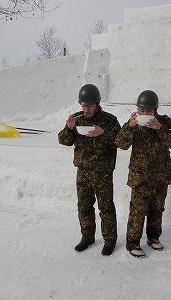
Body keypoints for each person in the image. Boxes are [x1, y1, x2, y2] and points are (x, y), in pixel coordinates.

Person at [115, 90, 171, 257]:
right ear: (138, 109)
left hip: (161, 174)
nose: (145, 113)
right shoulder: (133, 123)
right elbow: (120, 143)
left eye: (149, 111)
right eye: (142, 110)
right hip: (140, 175)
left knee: (157, 209)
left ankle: (153, 238)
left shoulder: (164, 121)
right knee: (137, 210)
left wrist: (159, 128)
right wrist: (130, 127)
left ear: (155, 110)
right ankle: (133, 243)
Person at [58, 83, 120, 256]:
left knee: (106, 207)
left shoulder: (110, 120)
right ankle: (87, 236)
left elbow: (121, 141)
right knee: (84, 206)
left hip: (103, 172)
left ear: (97, 103)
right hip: (83, 171)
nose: (86, 109)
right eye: (83, 105)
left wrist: (103, 133)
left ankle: (110, 240)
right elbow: (63, 140)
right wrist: (68, 129)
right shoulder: (77, 119)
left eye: (89, 105)